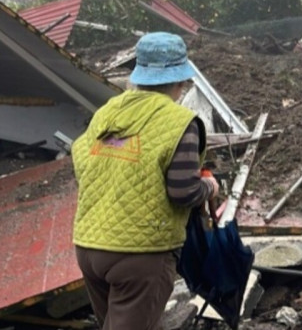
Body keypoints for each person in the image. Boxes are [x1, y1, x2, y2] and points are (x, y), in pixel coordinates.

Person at [71, 32, 219, 329]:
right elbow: (183, 191)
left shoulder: (108, 112)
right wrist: (210, 187)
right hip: (140, 255)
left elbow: (81, 163)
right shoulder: (179, 122)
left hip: (88, 246)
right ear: (181, 81)